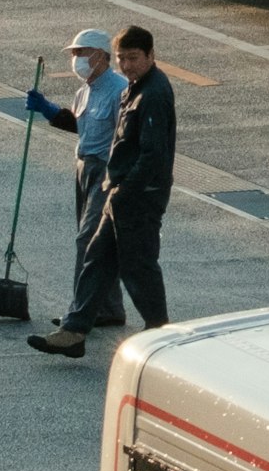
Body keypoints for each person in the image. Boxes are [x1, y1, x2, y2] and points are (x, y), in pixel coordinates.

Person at [32, 24, 175, 358]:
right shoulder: (134, 88)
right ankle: (74, 329)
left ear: (151, 56)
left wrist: (126, 190)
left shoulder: (153, 93)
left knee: (138, 264)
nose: (127, 66)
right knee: (97, 257)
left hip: (138, 194)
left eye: (134, 58)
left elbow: (153, 154)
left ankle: (160, 330)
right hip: (119, 188)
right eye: (123, 59)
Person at [22, 27, 127, 330]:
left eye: (81, 53)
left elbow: (124, 135)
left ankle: (81, 310)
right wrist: (49, 110)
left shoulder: (119, 90)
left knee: (89, 239)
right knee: (98, 241)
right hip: (84, 166)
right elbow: (81, 127)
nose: (76, 59)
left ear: (101, 56)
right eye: (74, 54)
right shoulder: (84, 90)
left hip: (106, 170)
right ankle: (108, 309)